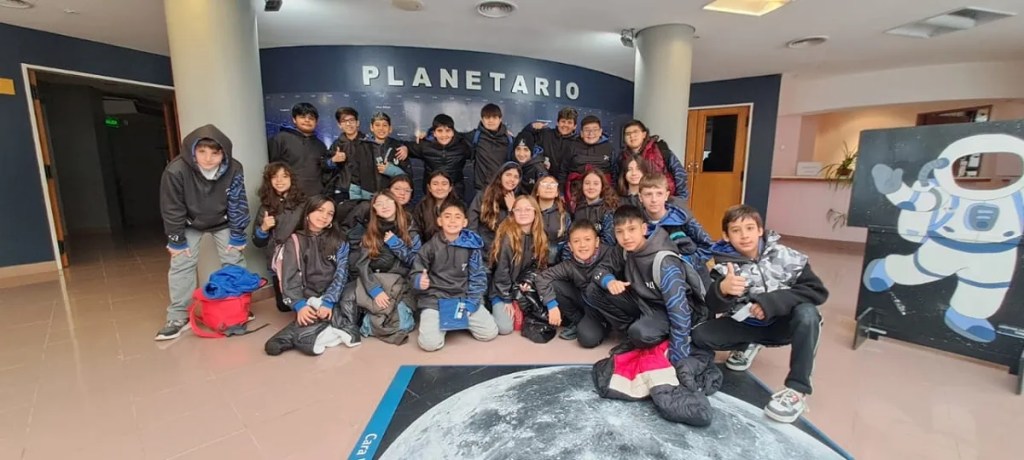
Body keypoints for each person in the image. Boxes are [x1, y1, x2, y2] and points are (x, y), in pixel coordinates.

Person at [691, 204, 829, 424]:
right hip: (749, 326)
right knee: (700, 335)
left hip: (783, 327)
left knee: (808, 314)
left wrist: (771, 303)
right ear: (726, 236)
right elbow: (714, 306)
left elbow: (817, 291)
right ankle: (749, 346)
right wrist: (722, 290)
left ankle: (797, 390)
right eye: (736, 230)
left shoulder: (788, 256)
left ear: (760, 230)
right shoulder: (723, 266)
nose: (744, 235)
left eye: (749, 228)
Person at [156, 124, 250, 341]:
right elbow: (171, 207)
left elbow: (237, 202)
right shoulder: (176, 170)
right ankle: (178, 316)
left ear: (223, 153)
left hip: (223, 220)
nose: (208, 158)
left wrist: (237, 234)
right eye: (202, 152)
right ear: (193, 152)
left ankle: (236, 306)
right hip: (189, 222)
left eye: (215, 153)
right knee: (182, 264)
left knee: (234, 259)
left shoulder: (234, 168)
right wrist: (176, 240)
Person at [584, 205, 703, 363]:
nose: (626, 237)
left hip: (668, 309)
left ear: (644, 229)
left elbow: (679, 309)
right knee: (594, 290)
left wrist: (678, 357)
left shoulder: (664, 261)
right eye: (620, 231)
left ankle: (654, 337)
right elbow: (600, 270)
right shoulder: (623, 250)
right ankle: (631, 336)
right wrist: (610, 281)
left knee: (640, 333)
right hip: (644, 302)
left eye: (631, 229)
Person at [264, 196, 357, 355]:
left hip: (335, 295)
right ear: (308, 212)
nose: (324, 216)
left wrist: (329, 301)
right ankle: (317, 331)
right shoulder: (293, 241)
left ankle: (301, 334)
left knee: (349, 305)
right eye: (320, 210)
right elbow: (289, 278)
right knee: (273, 346)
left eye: (329, 213)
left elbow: (342, 274)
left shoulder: (339, 240)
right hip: (309, 297)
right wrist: (300, 305)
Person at [411, 201, 499, 351]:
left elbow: (478, 277)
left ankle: (455, 320)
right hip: (435, 299)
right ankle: (441, 321)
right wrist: (420, 280)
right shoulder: (429, 247)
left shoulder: (472, 247)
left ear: (465, 222)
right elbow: (415, 272)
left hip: (462, 298)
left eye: (458, 217)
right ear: (439, 221)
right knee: (429, 344)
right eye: (447, 216)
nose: (452, 221)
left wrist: (472, 302)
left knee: (489, 333)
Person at [351, 191, 421, 344]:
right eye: (379, 203)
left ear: (396, 204)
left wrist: (396, 244)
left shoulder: (411, 229)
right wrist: (375, 291)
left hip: (402, 285)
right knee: (381, 317)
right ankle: (374, 323)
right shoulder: (370, 233)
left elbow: (416, 261)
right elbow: (362, 265)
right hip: (378, 283)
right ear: (374, 209)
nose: (385, 206)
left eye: (388, 201)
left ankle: (374, 326)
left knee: (405, 325)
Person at [535, 219, 613, 342]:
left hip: (609, 305)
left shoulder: (610, 254)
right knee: (587, 339)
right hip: (587, 304)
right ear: (570, 246)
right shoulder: (569, 264)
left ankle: (605, 323)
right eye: (576, 241)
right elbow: (542, 278)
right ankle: (579, 321)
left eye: (587, 239)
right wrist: (551, 305)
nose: (582, 245)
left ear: (597, 241)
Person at [490, 195, 550, 336]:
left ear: (535, 213)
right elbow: (501, 271)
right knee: (505, 328)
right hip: (502, 290)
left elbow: (539, 265)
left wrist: (528, 281)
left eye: (528, 209)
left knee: (537, 319)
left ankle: (519, 304)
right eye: (518, 210)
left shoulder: (540, 235)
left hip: (522, 287)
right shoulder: (508, 236)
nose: (523, 213)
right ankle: (489, 308)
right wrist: (506, 299)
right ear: (513, 213)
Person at [252, 162, 306, 312]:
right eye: (274, 177)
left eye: (284, 176)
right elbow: (257, 242)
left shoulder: (303, 204)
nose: (279, 181)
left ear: (292, 179)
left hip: (299, 259)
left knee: (303, 300)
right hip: (277, 261)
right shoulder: (265, 207)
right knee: (284, 307)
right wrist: (263, 228)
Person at [638, 174, 713, 266]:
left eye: (659, 194)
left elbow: (708, 246)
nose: (654, 199)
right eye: (648, 194)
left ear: (666, 195)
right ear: (640, 197)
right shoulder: (637, 223)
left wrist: (685, 262)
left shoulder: (682, 219)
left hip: (686, 273)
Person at [346, 111, 412, 200]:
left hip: (392, 198)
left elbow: (408, 179)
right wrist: (356, 201)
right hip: (367, 198)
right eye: (377, 125)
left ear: (390, 128)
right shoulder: (361, 147)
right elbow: (355, 176)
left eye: (385, 125)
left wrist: (393, 171)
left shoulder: (399, 148)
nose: (381, 128)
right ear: (371, 127)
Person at [268, 102, 328, 197]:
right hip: (288, 196)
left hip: (315, 198)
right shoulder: (281, 139)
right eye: (303, 117)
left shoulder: (320, 145)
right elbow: (271, 168)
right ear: (294, 119)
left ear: (316, 122)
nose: (307, 120)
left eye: (311, 118)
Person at [408, 113, 474, 198]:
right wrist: (404, 149)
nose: (444, 135)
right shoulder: (425, 145)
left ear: (453, 132)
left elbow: (481, 149)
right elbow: (401, 146)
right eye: (440, 131)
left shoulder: (462, 146)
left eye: (448, 131)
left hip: (455, 194)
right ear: (434, 133)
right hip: (432, 194)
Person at [622, 120, 689, 200]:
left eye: (635, 132)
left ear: (644, 134)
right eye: (628, 134)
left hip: (665, 200)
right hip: (634, 201)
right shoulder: (622, 157)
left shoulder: (660, 149)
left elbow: (679, 172)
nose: (632, 136)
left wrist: (680, 199)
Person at [562, 115, 617, 204]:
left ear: (600, 132)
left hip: (604, 193)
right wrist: (561, 193)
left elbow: (615, 172)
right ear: (581, 133)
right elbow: (563, 171)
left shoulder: (609, 148)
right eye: (587, 130)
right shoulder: (572, 146)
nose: (591, 133)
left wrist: (613, 192)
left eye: (595, 130)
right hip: (575, 193)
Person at [469, 162, 521, 255]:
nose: (512, 179)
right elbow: (472, 220)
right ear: (500, 176)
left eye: (516, 177)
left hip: (504, 249)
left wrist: (512, 209)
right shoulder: (484, 195)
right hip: (481, 246)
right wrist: (475, 245)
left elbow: (516, 230)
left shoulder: (518, 201)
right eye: (508, 175)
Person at [522, 106, 578, 180]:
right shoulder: (545, 133)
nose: (565, 125)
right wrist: (531, 127)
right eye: (563, 121)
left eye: (569, 122)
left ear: (575, 126)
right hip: (541, 181)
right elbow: (524, 138)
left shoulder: (578, 142)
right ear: (557, 123)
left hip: (565, 185)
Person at [469, 103, 515, 191]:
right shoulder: (475, 136)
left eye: (494, 117)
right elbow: (452, 136)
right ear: (482, 120)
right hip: (481, 189)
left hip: (502, 188)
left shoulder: (509, 139)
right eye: (487, 117)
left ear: (500, 119)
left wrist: (530, 127)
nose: (491, 121)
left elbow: (527, 146)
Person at [414, 170, 462, 243]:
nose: (440, 188)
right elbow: (416, 233)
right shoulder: (421, 207)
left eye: (444, 184)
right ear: (429, 188)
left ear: (450, 188)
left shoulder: (460, 207)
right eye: (435, 184)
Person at [532, 174, 571, 264]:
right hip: (531, 264)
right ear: (537, 191)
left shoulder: (564, 216)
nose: (549, 187)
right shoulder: (529, 213)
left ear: (557, 193)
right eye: (544, 184)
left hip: (556, 266)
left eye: (553, 184)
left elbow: (568, 245)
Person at [572, 169, 618, 245]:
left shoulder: (608, 210)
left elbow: (609, 240)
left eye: (596, 184)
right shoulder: (577, 208)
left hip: (602, 254)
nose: (591, 187)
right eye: (587, 183)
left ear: (602, 186)